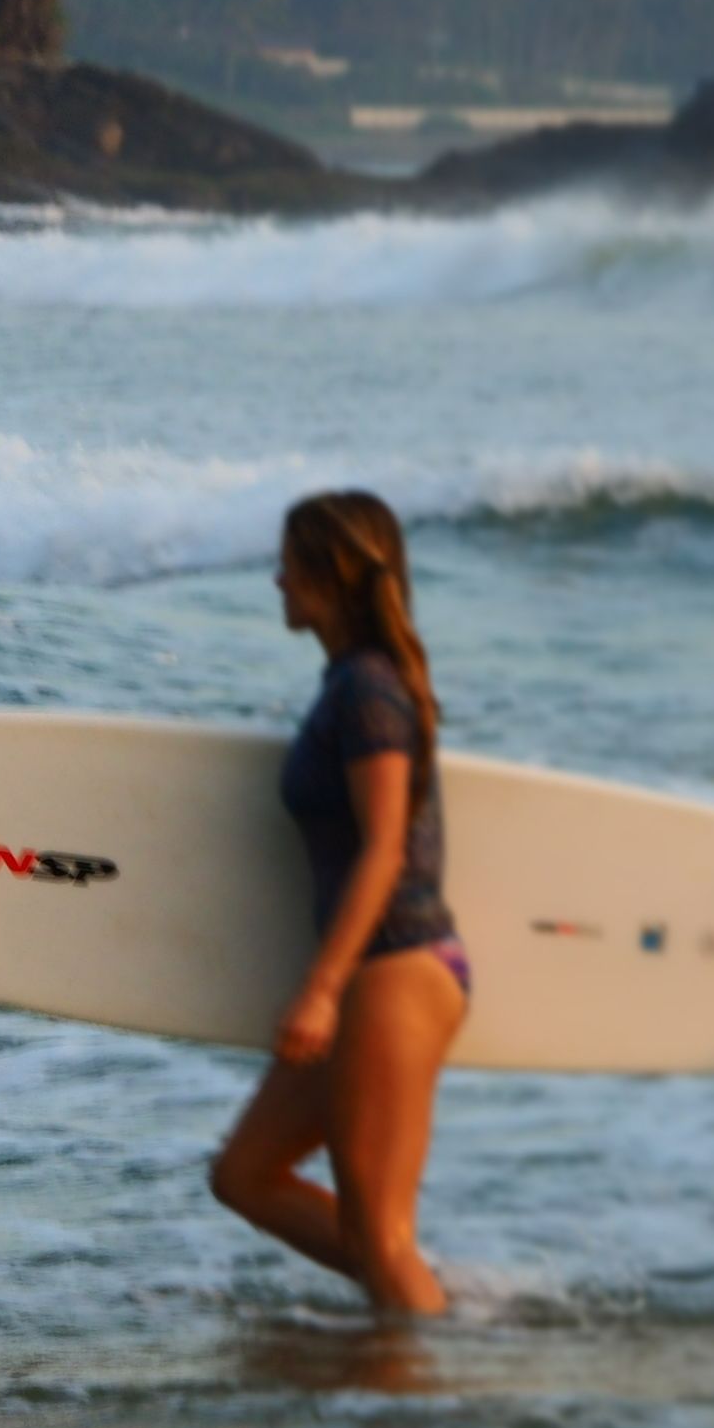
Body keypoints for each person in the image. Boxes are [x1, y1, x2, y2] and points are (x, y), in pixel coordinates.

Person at [207, 489, 470, 1314]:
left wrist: (322, 987)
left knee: (380, 1231)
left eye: (290, 561)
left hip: (395, 966)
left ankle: (419, 1401)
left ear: (328, 573)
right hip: (375, 969)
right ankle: (424, 1309)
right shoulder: (352, 685)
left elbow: (386, 846)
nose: (277, 579)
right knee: (243, 1174)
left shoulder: (368, 692)